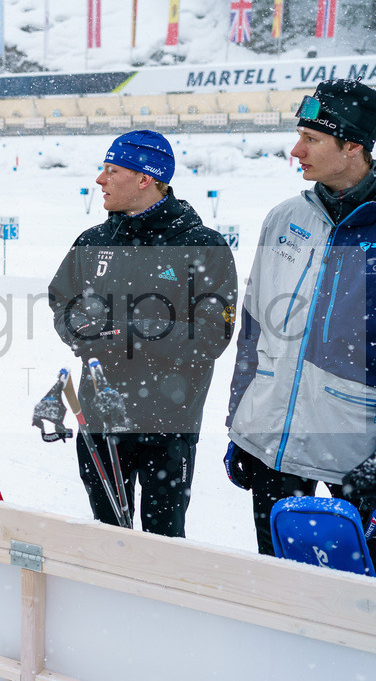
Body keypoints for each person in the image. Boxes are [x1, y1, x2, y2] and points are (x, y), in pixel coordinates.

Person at [48, 130, 237, 537]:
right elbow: (61, 298)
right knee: (106, 538)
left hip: (167, 426)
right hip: (100, 419)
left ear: (144, 178)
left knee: (162, 547)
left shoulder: (203, 246)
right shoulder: (94, 241)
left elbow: (211, 335)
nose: (100, 179)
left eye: (111, 170)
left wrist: (126, 329)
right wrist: (76, 329)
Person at [225, 79, 376, 557]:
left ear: (352, 146)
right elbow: (253, 328)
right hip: (273, 447)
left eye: (311, 139)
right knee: (276, 587)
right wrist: (241, 425)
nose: (296, 150)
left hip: (356, 455)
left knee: (357, 607)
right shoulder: (285, 218)